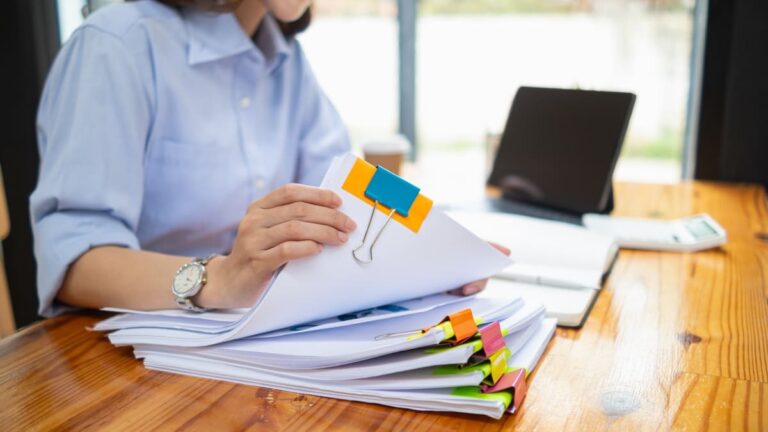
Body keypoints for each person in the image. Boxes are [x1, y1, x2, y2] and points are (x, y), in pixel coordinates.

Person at [31, 0, 505, 317]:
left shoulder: (287, 60)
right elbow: (73, 262)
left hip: (253, 342)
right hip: (123, 367)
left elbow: (353, 185)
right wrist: (220, 278)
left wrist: (436, 235)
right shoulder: (117, 45)